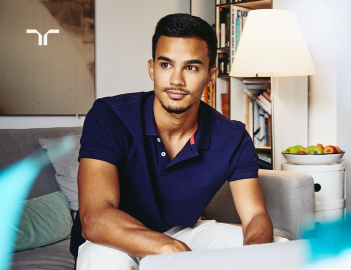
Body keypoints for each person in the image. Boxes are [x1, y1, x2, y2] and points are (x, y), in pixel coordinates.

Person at [71, 13, 274, 270]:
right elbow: (95, 218)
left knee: (272, 245)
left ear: (211, 76)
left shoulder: (233, 137)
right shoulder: (110, 115)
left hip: (180, 232)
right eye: (166, 65)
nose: (176, 80)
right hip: (111, 239)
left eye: (191, 67)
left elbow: (255, 216)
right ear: (151, 68)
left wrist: (255, 254)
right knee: (104, 261)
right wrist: (170, 249)